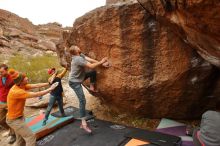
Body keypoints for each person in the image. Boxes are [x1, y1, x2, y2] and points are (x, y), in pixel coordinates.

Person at [6, 69, 58, 146]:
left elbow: (36, 85)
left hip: (19, 117)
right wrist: (50, 89)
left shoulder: (21, 86)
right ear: (21, 81)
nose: (27, 78)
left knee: (21, 140)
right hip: (14, 120)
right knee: (30, 137)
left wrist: (49, 83)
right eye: (25, 78)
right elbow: (36, 94)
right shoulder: (17, 92)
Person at [68, 45, 108, 133]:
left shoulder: (80, 55)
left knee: (92, 73)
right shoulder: (77, 59)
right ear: (75, 51)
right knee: (82, 100)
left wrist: (101, 63)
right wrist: (101, 61)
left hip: (80, 78)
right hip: (74, 82)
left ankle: (91, 87)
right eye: (76, 47)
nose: (78, 47)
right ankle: (83, 122)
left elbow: (90, 60)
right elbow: (91, 66)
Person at [0, 64, 16, 144]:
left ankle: (13, 134)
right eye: (0, 72)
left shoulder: (12, 78)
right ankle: (11, 129)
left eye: (2, 72)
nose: (1, 73)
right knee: (1, 120)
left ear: (6, 70)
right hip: (1, 102)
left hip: (10, 102)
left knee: (11, 119)